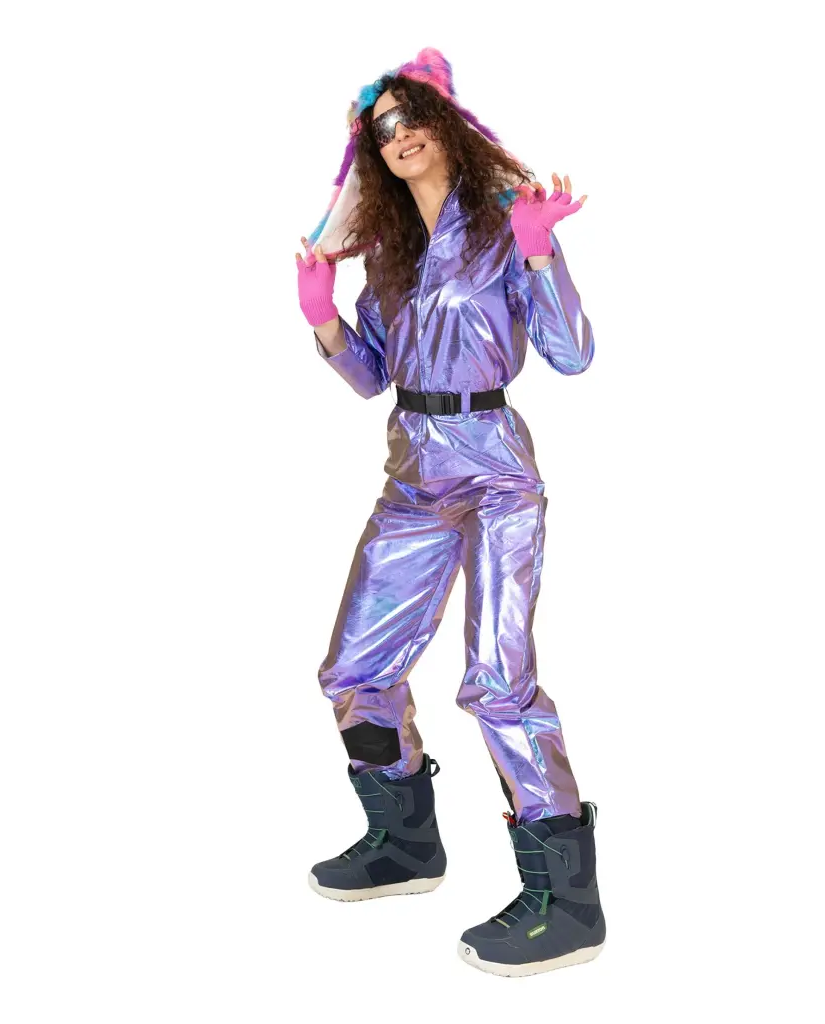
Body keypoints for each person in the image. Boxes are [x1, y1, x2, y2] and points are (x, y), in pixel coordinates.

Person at [294, 47, 605, 978]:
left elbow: (572, 353)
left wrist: (540, 250)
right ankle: (404, 844)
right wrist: (323, 318)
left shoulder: (505, 223)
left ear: (446, 122)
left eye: (412, 116)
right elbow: (370, 376)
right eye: (381, 129)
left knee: (498, 681)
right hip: (414, 475)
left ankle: (568, 903)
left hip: (495, 470)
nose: (400, 135)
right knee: (355, 670)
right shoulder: (389, 254)